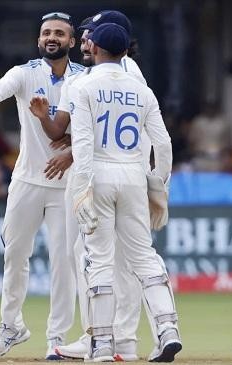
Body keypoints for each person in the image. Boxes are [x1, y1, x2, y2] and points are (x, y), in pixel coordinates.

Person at [30, 11, 163, 361]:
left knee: (114, 261)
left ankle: (117, 339)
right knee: (97, 256)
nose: (85, 41)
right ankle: (104, 335)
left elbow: (120, 134)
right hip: (122, 175)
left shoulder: (125, 73)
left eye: (90, 34)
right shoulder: (112, 74)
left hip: (108, 174)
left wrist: (74, 154)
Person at [67, 22, 182, 362]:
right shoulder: (142, 90)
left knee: (99, 257)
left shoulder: (84, 86)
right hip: (134, 174)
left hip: (99, 173)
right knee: (145, 257)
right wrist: (158, 186)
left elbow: (84, 145)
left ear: (97, 49)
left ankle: (102, 344)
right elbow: (163, 143)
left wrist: (81, 189)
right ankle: (167, 331)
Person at [0, 12, 82, 360]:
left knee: (64, 262)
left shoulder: (84, 79)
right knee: (14, 256)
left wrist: (71, 151)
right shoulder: (24, 73)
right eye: (45, 33)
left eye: (59, 33)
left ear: (72, 40)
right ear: (39, 40)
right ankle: (11, 327)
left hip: (67, 185)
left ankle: (57, 337)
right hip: (26, 181)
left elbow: (95, 128)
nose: (51, 37)